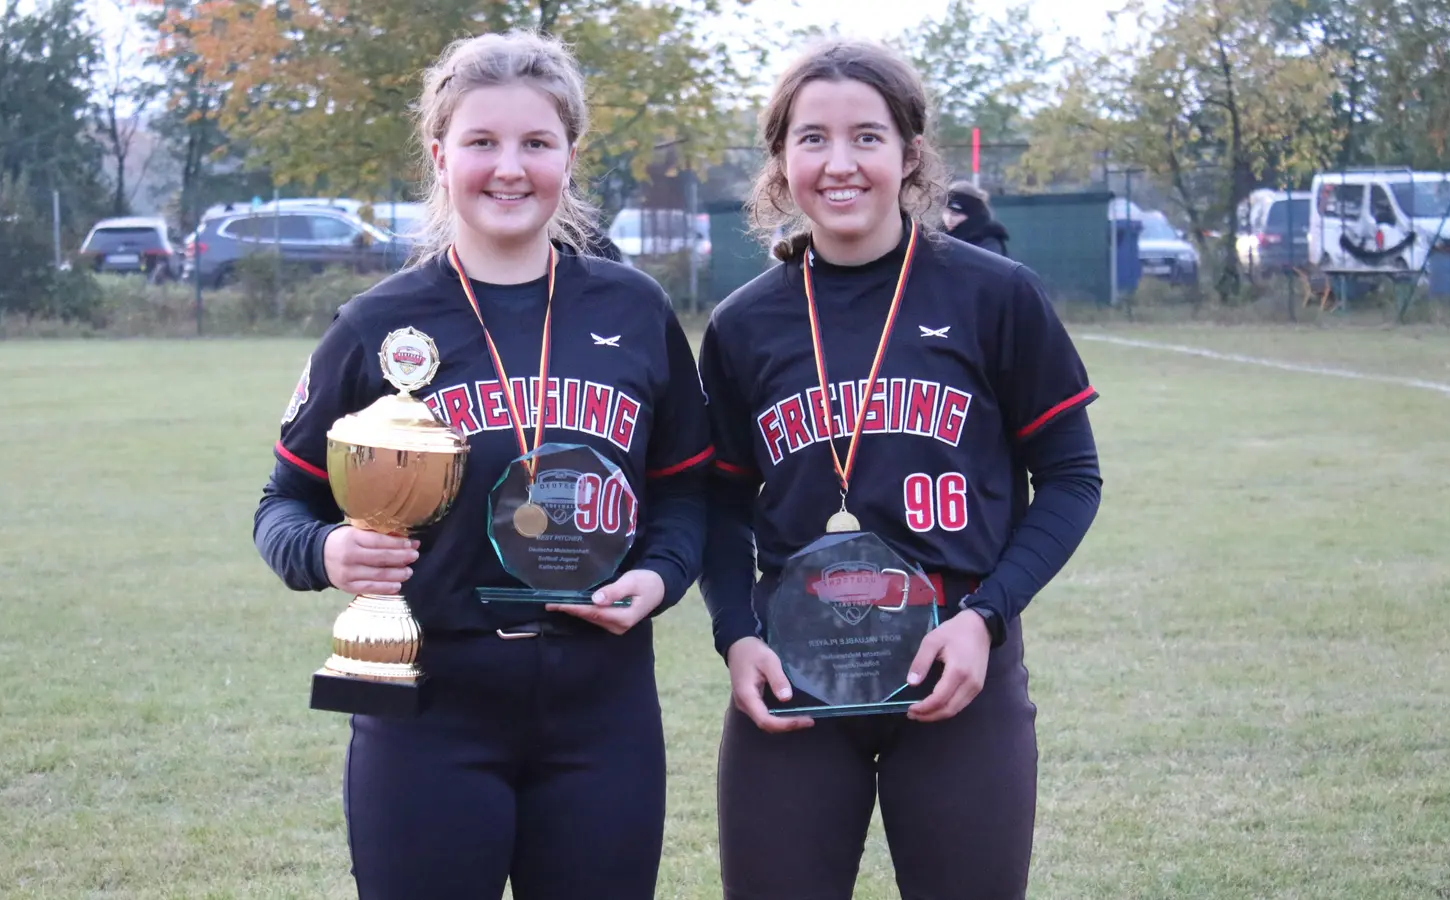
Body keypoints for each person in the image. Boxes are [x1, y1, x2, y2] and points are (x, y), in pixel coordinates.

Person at [252, 30, 712, 900]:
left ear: (570, 156)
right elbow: (282, 506)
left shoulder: (635, 309)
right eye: (482, 142)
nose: (510, 168)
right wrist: (327, 555)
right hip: (429, 704)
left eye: (537, 143)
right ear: (439, 155)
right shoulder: (377, 325)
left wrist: (659, 577)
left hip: (601, 707)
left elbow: (684, 490)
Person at [696, 38, 1103, 900]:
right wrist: (735, 633)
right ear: (780, 158)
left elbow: (1070, 478)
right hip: (794, 678)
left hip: (957, 663)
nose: (839, 164)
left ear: (909, 154)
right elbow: (719, 501)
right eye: (812, 139)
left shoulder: (993, 293)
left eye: (867, 137)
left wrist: (987, 618)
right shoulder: (743, 324)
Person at [942, 180, 1011, 257]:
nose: (948, 219)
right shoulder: (936, 237)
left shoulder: (988, 243)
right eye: (945, 212)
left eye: (955, 214)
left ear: (973, 214)